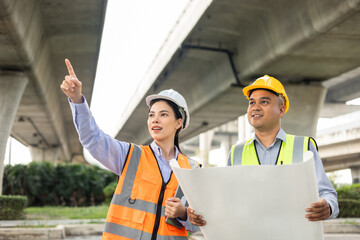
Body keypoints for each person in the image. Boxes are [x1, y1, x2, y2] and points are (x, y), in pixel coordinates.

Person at [60, 59, 199, 239]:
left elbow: (199, 224)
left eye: (163, 114)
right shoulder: (129, 155)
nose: (155, 120)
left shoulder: (192, 169)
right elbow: (92, 139)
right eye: (151, 115)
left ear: (179, 123)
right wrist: (76, 99)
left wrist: (183, 214)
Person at [188, 74, 339, 226]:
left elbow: (327, 194)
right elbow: (227, 200)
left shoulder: (304, 147)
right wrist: (200, 213)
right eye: (251, 102)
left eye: (264, 102)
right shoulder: (236, 153)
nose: (255, 107)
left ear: (281, 109)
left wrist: (328, 207)